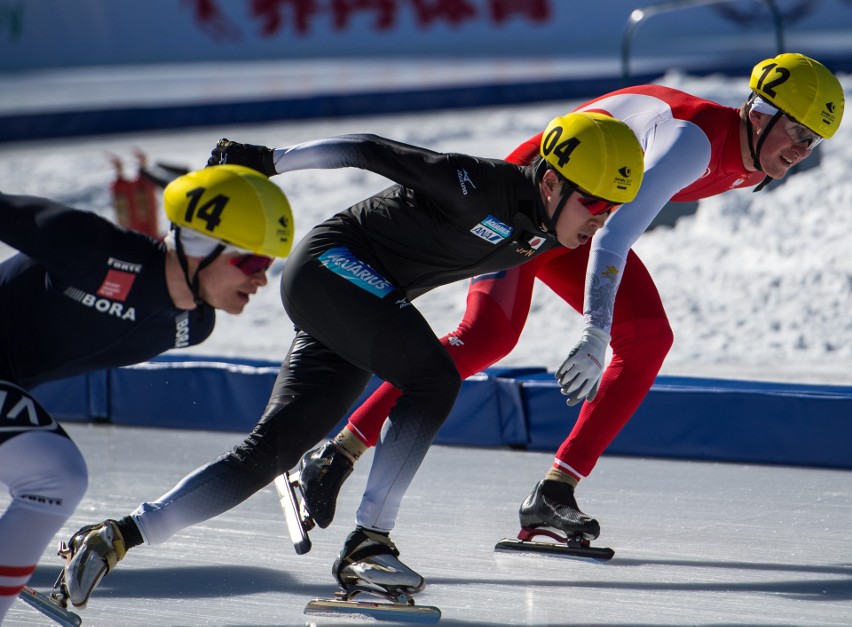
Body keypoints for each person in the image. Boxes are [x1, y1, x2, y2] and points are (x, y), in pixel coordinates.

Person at [60, 112, 645, 608]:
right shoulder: (479, 185)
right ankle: (369, 543)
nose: (603, 217)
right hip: (329, 264)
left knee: (267, 453)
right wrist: (269, 158)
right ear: (550, 184)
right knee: (434, 378)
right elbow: (369, 149)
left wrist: (596, 332)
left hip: (359, 303)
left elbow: (603, 264)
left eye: (615, 206)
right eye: (596, 202)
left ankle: (118, 536)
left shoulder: (552, 227)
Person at [296, 52, 846, 547]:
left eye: (813, 142)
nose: (801, 151)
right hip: (535, 209)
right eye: (797, 132)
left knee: (650, 336)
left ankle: (555, 490)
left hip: (582, 220)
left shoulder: (752, 165)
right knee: (487, 336)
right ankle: (337, 453)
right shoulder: (694, 140)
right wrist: (595, 331)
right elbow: (614, 234)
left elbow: (609, 222)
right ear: (758, 112)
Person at [0, 164, 293, 622]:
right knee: (55, 477)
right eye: (251, 262)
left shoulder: (193, 326)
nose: (261, 279)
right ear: (200, 245)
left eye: (268, 266)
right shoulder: (94, 250)